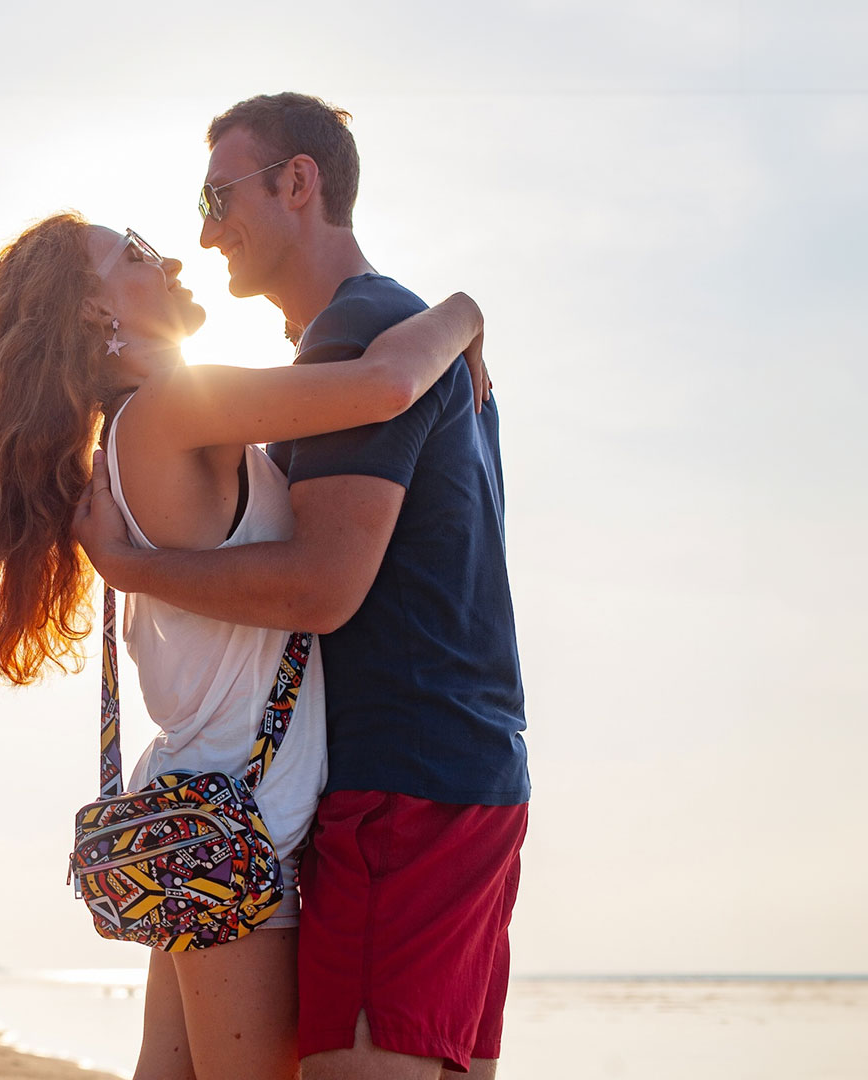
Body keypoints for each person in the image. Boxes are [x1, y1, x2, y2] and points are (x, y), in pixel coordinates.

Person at [0, 211, 487, 1080]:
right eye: (134, 253)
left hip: (201, 809)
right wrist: (467, 312)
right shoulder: (172, 410)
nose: (168, 255)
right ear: (96, 313)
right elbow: (389, 383)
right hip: (245, 826)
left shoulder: (139, 431)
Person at [72, 93, 532, 1080]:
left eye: (216, 196)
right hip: (449, 777)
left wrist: (136, 567)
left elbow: (322, 588)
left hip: (397, 788)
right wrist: (463, 308)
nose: (203, 233)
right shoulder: (373, 338)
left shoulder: (362, 336)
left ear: (297, 182)